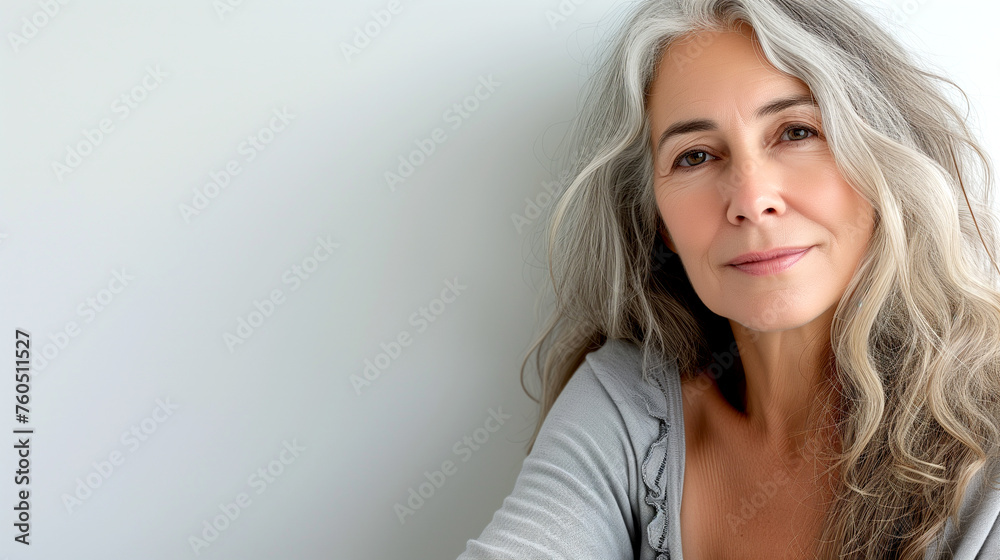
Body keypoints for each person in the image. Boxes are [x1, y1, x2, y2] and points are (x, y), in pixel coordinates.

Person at [456, 0, 1000, 558]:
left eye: (796, 131)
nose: (751, 199)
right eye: (695, 156)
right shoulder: (624, 401)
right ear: (660, 222)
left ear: (882, 162)